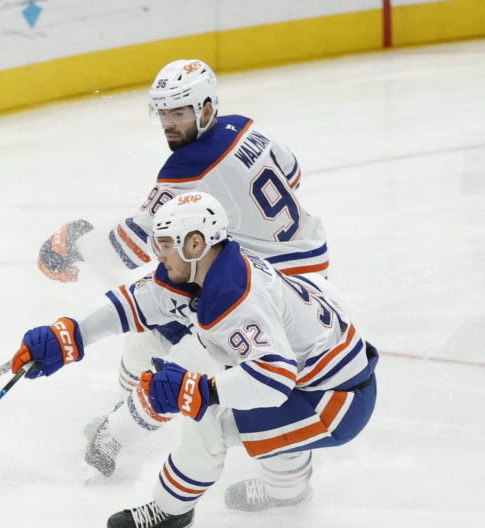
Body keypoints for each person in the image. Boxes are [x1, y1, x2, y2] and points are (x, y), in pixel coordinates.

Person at [36, 59, 329, 493]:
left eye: (180, 112)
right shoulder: (244, 128)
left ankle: (119, 435)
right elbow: (292, 172)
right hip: (301, 271)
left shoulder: (187, 169)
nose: (168, 125)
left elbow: (138, 241)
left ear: (207, 107)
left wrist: (73, 244)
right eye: (163, 113)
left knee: (199, 364)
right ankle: (122, 421)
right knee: (155, 342)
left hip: (260, 290)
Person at [15, 191, 377, 528]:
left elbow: (274, 381)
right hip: (312, 369)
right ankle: (285, 488)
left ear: (195, 244)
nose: (159, 254)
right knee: (235, 392)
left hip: (335, 400)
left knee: (212, 424)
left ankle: (172, 512)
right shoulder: (206, 269)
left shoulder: (235, 298)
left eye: (166, 244)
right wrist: (68, 334)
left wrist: (202, 391)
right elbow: (134, 302)